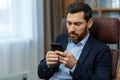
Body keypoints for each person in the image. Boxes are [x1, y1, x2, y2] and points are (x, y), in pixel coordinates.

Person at [38, 2, 111, 80]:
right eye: (69, 23)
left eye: (77, 24)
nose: (72, 29)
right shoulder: (60, 39)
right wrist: (48, 64)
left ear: (89, 23)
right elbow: (41, 74)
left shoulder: (101, 50)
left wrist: (75, 66)